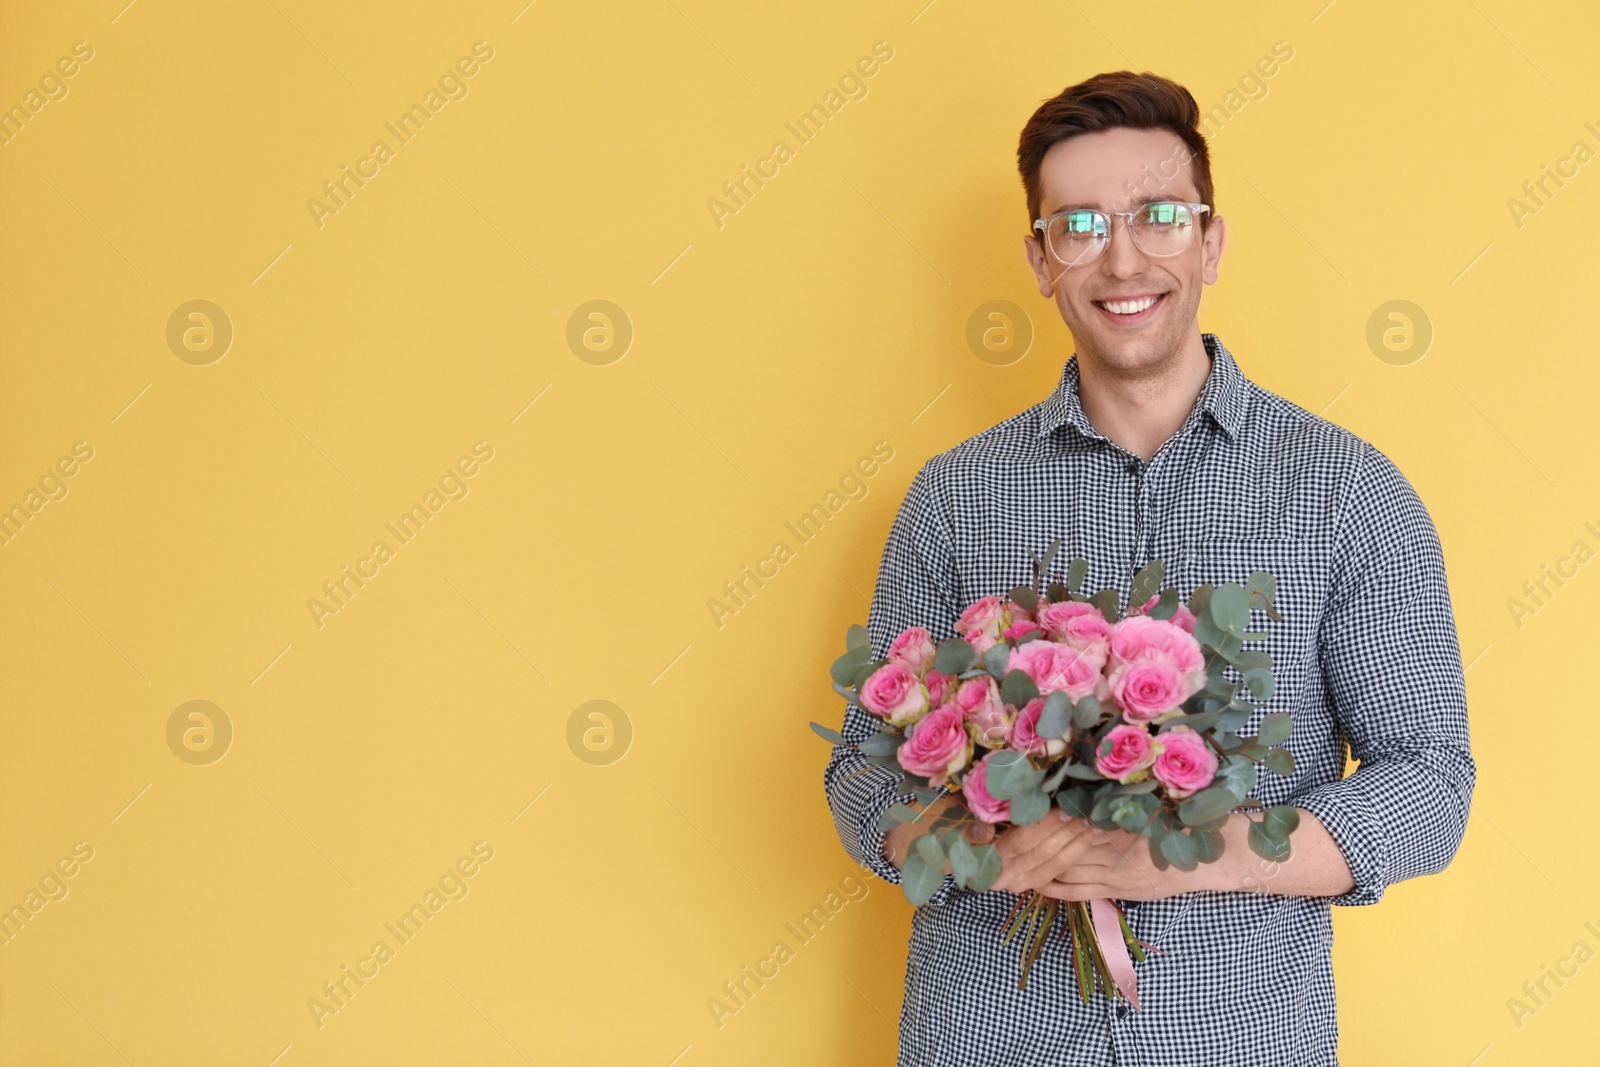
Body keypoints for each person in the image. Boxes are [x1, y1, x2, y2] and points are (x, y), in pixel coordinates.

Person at [821, 70, 1475, 1067]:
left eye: (1158, 216)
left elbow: (1429, 782)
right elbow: (864, 769)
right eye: (1077, 224)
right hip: (988, 1037)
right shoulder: (953, 497)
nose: (1120, 256)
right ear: (1040, 259)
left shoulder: (1347, 491)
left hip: (1241, 1039)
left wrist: (1199, 852)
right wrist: (982, 848)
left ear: (1210, 239)